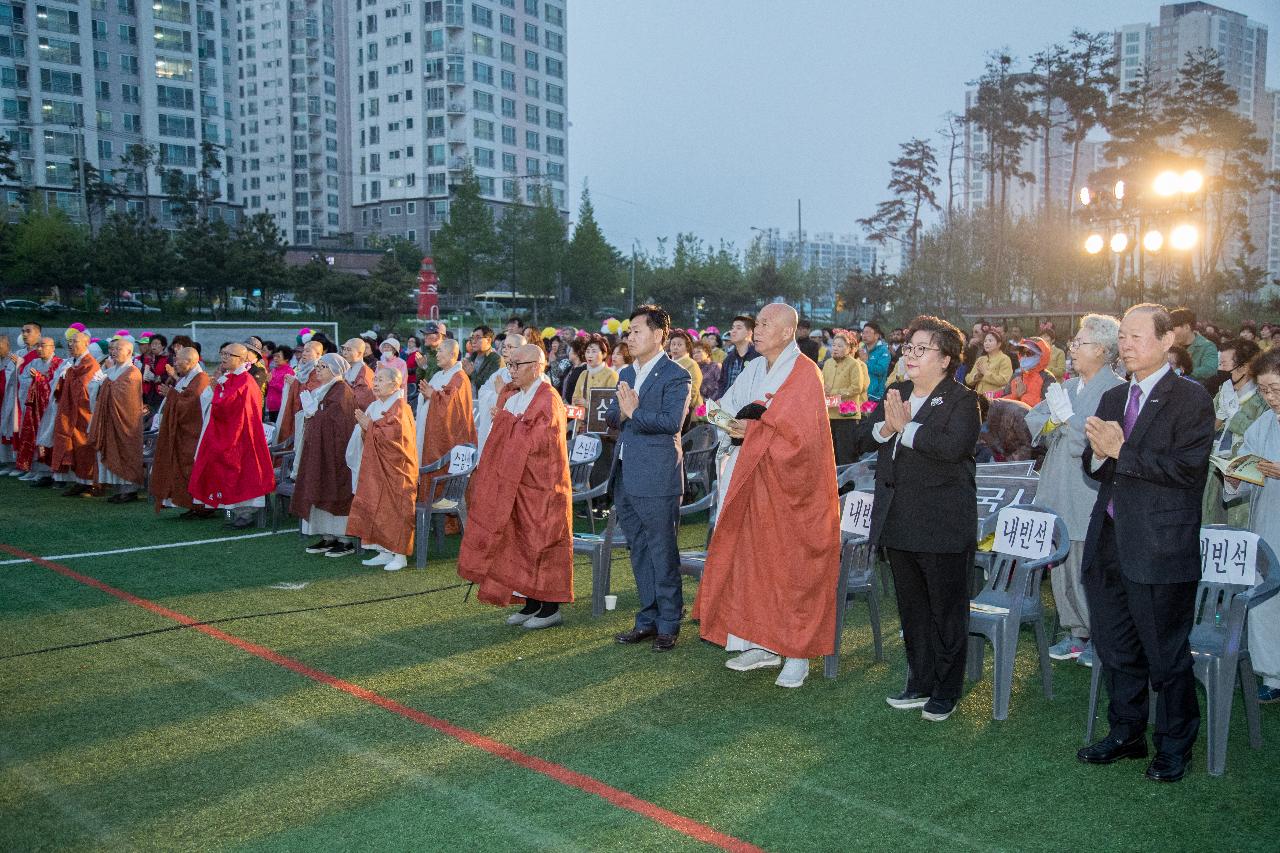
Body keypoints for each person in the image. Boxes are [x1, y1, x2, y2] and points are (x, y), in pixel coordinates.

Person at [1077, 303, 1214, 783]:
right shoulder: (1115, 397)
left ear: (1166, 341)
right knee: (1115, 648)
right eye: (1124, 338)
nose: (1126, 346)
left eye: (1136, 337)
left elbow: (1185, 471)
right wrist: (1098, 456)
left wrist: (1121, 450)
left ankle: (1175, 744)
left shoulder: (1190, 398)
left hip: (1159, 547)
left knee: (1166, 654)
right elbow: (1095, 467)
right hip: (1110, 539)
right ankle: (1126, 732)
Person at [695, 303, 841, 689]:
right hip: (749, 477)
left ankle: (796, 653)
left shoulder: (805, 373)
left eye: (764, 324)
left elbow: (802, 438)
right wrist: (719, 418)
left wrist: (752, 431)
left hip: (790, 486)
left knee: (788, 564)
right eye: (755, 323)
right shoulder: (755, 368)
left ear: (787, 331)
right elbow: (727, 410)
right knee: (752, 560)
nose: (756, 330)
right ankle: (760, 641)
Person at [851, 316, 981, 721]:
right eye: (908, 347)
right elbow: (861, 437)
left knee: (946, 611)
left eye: (921, 348)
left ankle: (946, 690)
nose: (910, 355)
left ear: (945, 360)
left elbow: (952, 448)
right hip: (899, 520)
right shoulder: (897, 391)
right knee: (912, 610)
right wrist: (886, 430)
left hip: (942, 525)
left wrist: (905, 429)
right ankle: (919, 681)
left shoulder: (962, 400)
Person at [1026, 314, 1124, 667]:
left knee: (1088, 567)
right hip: (1055, 483)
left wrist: (1068, 422)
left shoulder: (1115, 390)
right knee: (1062, 565)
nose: (1073, 350)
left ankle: (1100, 637)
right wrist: (1054, 421)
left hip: (1085, 489)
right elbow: (1035, 420)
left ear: (1100, 350)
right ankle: (1074, 633)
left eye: (1079, 343)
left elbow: (1100, 440)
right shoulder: (1067, 387)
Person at [458, 344, 575, 627]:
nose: (511, 371)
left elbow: (540, 442)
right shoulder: (513, 397)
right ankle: (530, 602)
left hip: (543, 486)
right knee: (518, 543)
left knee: (542, 542)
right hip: (515, 485)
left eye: (516, 365)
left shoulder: (548, 398)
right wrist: (508, 421)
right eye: (509, 365)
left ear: (537, 366)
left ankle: (550, 607)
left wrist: (508, 422)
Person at [605, 304, 692, 652]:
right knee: (638, 548)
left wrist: (633, 412)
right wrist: (625, 412)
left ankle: (669, 622)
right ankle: (647, 619)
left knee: (662, 550)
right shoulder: (626, 374)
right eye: (628, 331)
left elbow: (672, 422)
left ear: (658, 336)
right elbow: (613, 415)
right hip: (626, 473)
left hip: (657, 476)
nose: (630, 336)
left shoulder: (676, 375)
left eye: (637, 330)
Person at [1222, 349, 1280, 702]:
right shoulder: (1264, 423)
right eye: (1264, 391)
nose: (1270, 398)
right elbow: (1247, 474)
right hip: (1269, 522)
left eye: (1276, 389)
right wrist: (1233, 477)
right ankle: (1273, 675)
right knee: (1267, 599)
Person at [189, 343, 276, 529]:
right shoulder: (230, 378)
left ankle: (244, 516)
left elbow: (230, 407)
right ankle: (232, 514)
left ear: (242, 359)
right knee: (227, 476)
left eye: (229, 354)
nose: (224, 357)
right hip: (228, 434)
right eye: (223, 353)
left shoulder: (245, 381)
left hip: (242, 437)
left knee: (243, 476)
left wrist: (217, 393)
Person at [346, 367, 419, 572]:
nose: (375, 383)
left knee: (396, 508)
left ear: (395, 384)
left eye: (380, 380)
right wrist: (366, 428)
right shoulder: (376, 405)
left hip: (398, 468)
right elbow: (371, 434)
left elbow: (396, 438)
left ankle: (400, 554)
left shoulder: (400, 408)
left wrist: (369, 426)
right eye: (375, 379)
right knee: (376, 505)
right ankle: (384, 550)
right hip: (377, 466)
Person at [290, 353, 360, 558]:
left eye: (323, 367)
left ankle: (344, 538)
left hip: (336, 453)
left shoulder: (342, 392)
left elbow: (339, 423)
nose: (318, 369)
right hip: (320, 450)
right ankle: (328, 535)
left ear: (335, 370)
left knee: (335, 489)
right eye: (318, 366)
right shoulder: (324, 390)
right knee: (319, 486)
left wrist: (315, 413)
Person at [1202, 338, 1266, 528]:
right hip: (1215, 471)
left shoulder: (1262, 399)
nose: (1220, 370)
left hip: (1244, 478)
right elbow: (1207, 429)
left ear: (1245, 367)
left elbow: (1250, 433)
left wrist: (1235, 415)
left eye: (1224, 364)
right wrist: (1220, 415)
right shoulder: (1223, 393)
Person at [150, 346, 213, 518]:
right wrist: (173, 394)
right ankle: (192, 504)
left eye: (178, 360)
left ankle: (203, 506)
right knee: (183, 470)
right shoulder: (188, 378)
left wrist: (171, 395)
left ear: (191, 362)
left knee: (191, 469)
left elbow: (190, 406)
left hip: (194, 433)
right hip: (183, 433)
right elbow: (183, 398)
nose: (174, 364)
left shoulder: (201, 379)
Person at [415, 338, 476, 509]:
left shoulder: (459, 377)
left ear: (452, 354)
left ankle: (447, 522)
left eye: (441, 350)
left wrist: (432, 395)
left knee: (443, 470)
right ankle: (428, 508)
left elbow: (452, 406)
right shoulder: (437, 375)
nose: (437, 354)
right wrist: (428, 395)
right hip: (430, 432)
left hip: (448, 437)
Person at [86, 337, 146, 504]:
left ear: (129, 352)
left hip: (126, 421)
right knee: (112, 450)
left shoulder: (133, 372)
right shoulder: (111, 371)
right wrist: (101, 384)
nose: (113, 352)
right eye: (112, 349)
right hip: (109, 419)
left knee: (126, 452)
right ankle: (119, 489)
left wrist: (105, 385)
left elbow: (124, 394)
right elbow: (95, 386)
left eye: (118, 349)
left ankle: (130, 490)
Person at [49, 332, 101, 498]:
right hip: (70, 412)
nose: (71, 345)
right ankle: (80, 481)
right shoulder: (73, 363)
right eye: (69, 341)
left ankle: (91, 483)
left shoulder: (90, 364)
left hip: (84, 413)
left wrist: (70, 376)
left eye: (75, 341)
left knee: (85, 447)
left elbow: (90, 389)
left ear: (86, 343)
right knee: (74, 447)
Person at [13, 337, 61, 484]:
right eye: (38, 346)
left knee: (48, 438)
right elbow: (24, 379)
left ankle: (50, 472)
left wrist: (40, 379)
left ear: (53, 348)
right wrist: (37, 380)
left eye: (43, 346)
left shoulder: (58, 364)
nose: (39, 349)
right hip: (34, 407)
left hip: (49, 409)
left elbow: (56, 385)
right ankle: (36, 470)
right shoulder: (34, 362)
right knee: (31, 435)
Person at [822, 330, 870, 465]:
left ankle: (848, 484)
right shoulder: (828, 363)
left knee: (846, 453)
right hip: (829, 413)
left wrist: (834, 392)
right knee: (831, 452)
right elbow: (822, 382)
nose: (835, 348)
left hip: (847, 415)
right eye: (834, 345)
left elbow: (857, 387)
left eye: (840, 346)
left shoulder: (854, 364)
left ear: (849, 349)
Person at [476, 332, 523, 454]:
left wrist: (502, 392)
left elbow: (525, 402)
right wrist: (498, 395)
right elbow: (483, 392)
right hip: (494, 428)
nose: (505, 350)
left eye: (510, 347)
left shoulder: (528, 375)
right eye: (504, 347)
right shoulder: (500, 373)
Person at [274, 340, 324, 446]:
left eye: (308, 351)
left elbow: (312, 393)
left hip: (306, 416)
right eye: (304, 351)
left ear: (318, 354)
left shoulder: (318, 370)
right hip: (294, 411)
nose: (304, 354)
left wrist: (295, 383)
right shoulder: (301, 368)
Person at [1169, 307, 1218, 383]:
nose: (1170, 332)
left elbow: (1209, 370)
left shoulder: (1207, 346)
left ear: (1186, 327)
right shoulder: (1170, 346)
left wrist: (1181, 373)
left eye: (1173, 329)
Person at [666, 330, 702, 426]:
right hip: (668, 410)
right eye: (673, 344)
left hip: (688, 411)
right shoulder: (667, 363)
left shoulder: (692, 364)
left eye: (679, 345)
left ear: (687, 347)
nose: (675, 347)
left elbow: (693, 389)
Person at [717, 315, 758, 399]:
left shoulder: (759, 356)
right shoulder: (728, 359)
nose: (733, 331)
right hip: (727, 406)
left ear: (750, 332)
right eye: (732, 328)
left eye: (738, 328)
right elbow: (722, 384)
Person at [571, 334, 617, 408]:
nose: (590, 355)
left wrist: (588, 404)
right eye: (588, 351)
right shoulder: (583, 374)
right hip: (582, 418)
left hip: (602, 419)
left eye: (594, 351)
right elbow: (575, 398)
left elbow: (612, 404)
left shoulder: (611, 375)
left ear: (604, 354)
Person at [965, 330, 1013, 397]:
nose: (987, 343)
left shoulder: (1004, 359)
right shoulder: (981, 359)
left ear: (999, 344)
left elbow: (1004, 380)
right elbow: (968, 380)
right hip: (978, 397)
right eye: (985, 341)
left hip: (996, 399)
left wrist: (985, 373)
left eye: (990, 341)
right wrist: (977, 376)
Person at [1007, 338, 1051, 407]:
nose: (1024, 356)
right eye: (1022, 353)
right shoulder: (1017, 375)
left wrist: (1023, 396)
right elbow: (1002, 400)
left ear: (1041, 355)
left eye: (1029, 353)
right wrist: (1015, 395)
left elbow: (1047, 406)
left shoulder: (1047, 378)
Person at [860, 321, 891, 402]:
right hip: (861, 394)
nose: (864, 335)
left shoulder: (883, 351)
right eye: (863, 333)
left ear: (876, 335)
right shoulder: (861, 349)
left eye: (868, 333)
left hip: (875, 396)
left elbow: (881, 370)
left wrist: (866, 361)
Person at [463, 326, 502, 391]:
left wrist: (472, 373)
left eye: (478, 338)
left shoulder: (496, 359)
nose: (473, 341)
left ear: (488, 340)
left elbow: (489, 385)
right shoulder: (472, 357)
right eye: (472, 338)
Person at [341, 338, 376, 408]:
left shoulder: (365, 373)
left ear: (359, 353)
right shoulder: (348, 369)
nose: (344, 353)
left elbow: (362, 401)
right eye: (344, 349)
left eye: (349, 350)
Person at [264, 345, 295, 422]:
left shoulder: (289, 371)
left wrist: (271, 381)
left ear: (286, 358)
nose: (275, 358)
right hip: (271, 406)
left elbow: (285, 388)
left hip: (281, 407)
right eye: (274, 356)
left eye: (278, 356)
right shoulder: (274, 370)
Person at [140, 334, 170, 411]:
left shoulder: (168, 358)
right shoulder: (148, 358)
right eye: (152, 344)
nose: (153, 346)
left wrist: (156, 378)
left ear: (163, 346)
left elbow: (170, 376)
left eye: (156, 344)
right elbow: (142, 373)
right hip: (148, 393)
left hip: (161, 393)